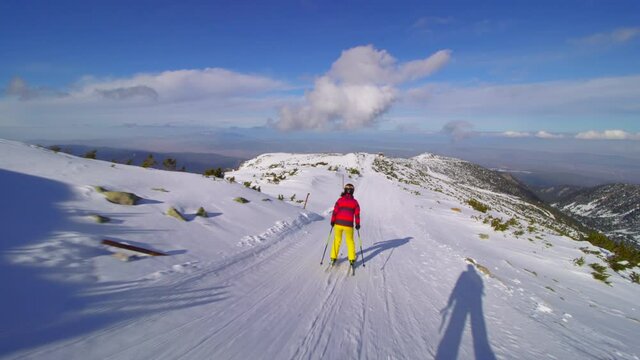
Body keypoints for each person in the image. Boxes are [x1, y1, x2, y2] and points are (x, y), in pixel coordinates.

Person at [330, 183, 361, 267]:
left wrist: (332, 221)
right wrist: (357, 224)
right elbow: (357, 214)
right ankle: (351, 259)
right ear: (352, 191)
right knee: (350, 241)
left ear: (344, 190)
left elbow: (335, 211)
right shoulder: (355, 202)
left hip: (338, 224)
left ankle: (333, 257)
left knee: (337, 240)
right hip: (348, 225)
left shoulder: (340, 200)